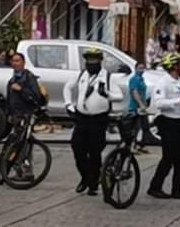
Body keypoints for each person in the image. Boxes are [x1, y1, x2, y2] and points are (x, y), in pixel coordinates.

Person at [63, 47, 122, 196]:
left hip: (99, 119)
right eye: (89, 60)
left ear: (100, 61)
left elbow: (119, 96)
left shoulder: (107, 77)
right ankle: (85, 177)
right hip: (82, 118)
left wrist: (106, 94)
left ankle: (93, 183)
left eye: (95, 60)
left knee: (94, 152)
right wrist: (69, 104)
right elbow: (67, 88)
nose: (92, 63)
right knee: (78, 150)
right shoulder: (81, 75)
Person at [146, 52, 180, 199]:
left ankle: (176, 190)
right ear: (173, 67)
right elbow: (159, 103)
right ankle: (155, 187)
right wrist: (179, 101)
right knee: (168, 157)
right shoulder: (163, 83)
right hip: (168, 122)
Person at [127, 62, 152, 152]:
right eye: (139, 68)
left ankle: (141, 144)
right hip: (135, 106)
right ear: (135, 69)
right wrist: (140, 104)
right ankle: (132, 145)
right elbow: (135, 92)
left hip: (142, 107)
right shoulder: (134, 79)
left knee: (144, 126)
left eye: (143, 68)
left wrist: (144, 104)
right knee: (135, 127)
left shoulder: (142, 79)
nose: (141, 70)